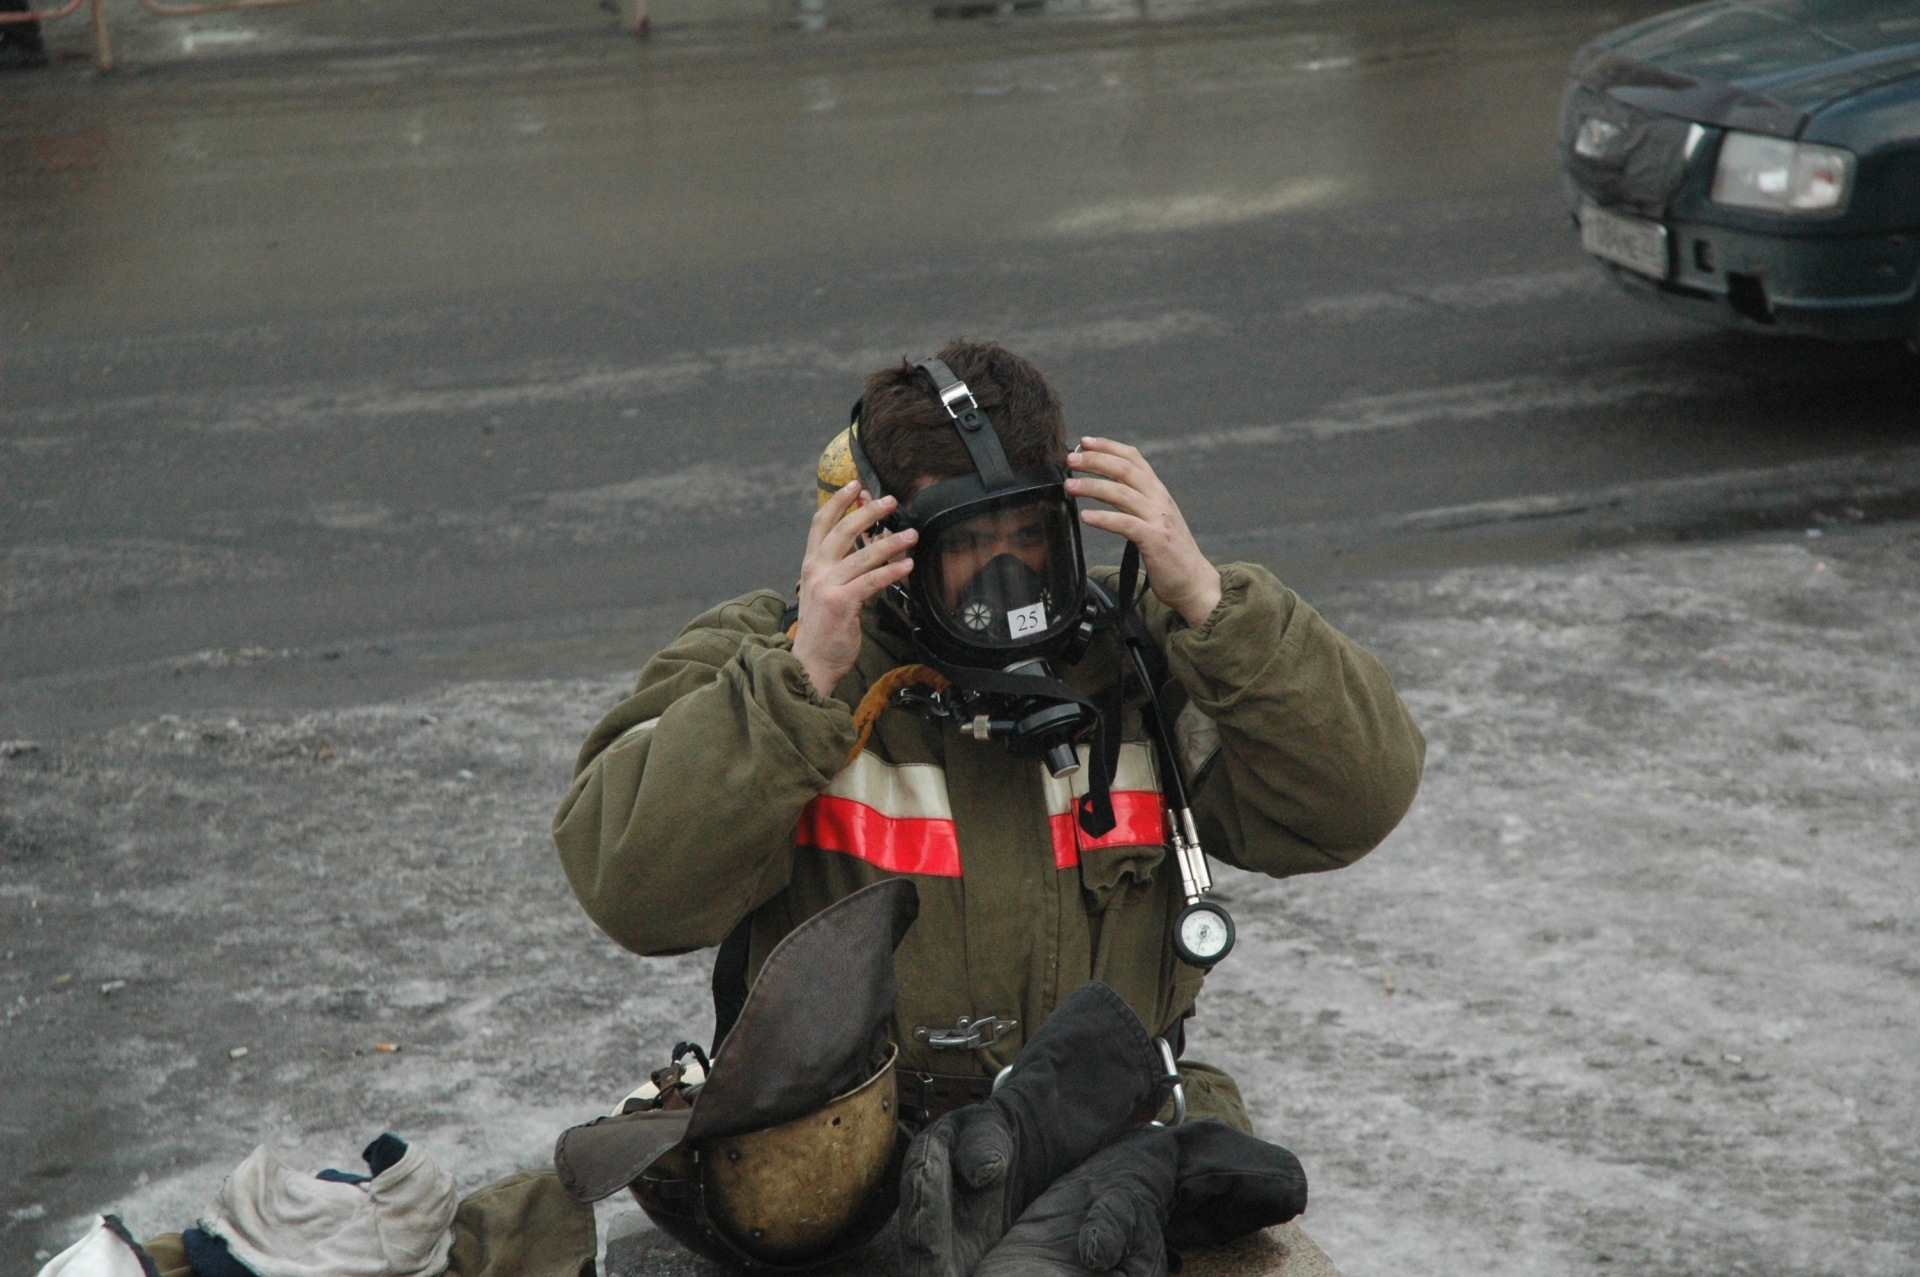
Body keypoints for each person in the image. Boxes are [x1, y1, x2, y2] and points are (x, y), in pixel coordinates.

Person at [552, 339, 1424, 1137]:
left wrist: (1210, 601)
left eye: (1030, 534)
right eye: (968, 543)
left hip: (1117, 1138)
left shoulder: (1143, 654)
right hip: (861, 1164)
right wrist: (800, 681)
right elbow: (631, 887)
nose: (1007, 575)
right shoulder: (780, 664)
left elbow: (1357, 799)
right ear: (879, 535)